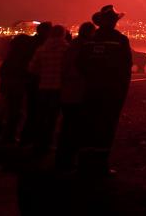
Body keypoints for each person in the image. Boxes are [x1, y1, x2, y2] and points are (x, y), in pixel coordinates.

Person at [77, 5, 132, 176]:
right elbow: (125, 68)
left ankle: (84, 163)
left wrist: (91, 79)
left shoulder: (89, 40)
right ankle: (100, 165)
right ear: (114, 22)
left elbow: (80, 64)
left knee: (88, 125)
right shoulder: (120, 40)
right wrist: (120, 89)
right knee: (106, 126)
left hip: (90, 89)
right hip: (111, 91)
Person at [56, 22, 93, 171]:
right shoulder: (86, 48)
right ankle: (72, 158)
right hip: (79, 91)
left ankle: (62, 156)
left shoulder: (71, 47)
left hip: (67, 92)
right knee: (78, 126)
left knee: (67, 124)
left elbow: (63, 68)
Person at [30, 25, 69, 155]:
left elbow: (32, 68)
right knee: (54, 118)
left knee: (41, 116)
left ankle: (38, 144)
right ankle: (49, 144)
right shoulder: (67, 50)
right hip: (60, 88)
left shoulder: (42, 49)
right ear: (63, 35)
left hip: (44, 87)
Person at [20, 22, 53, 145]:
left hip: (31, 79)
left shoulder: (30, 43)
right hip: (41, 80)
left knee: (31, 110)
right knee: (39, 111)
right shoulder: (43, 45)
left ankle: (26, 138)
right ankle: (34, 139)